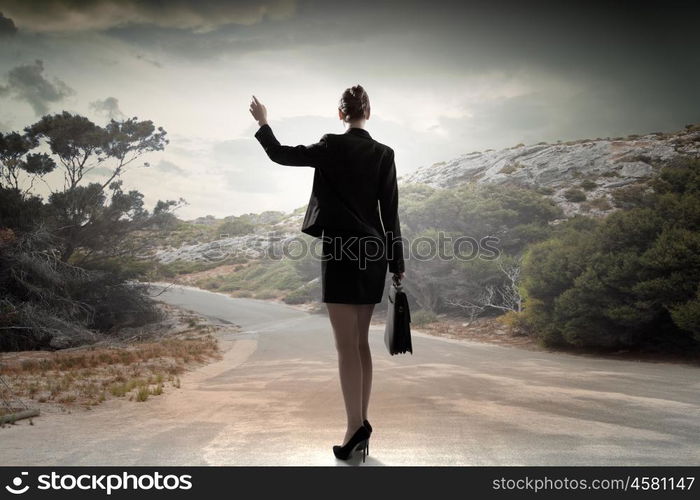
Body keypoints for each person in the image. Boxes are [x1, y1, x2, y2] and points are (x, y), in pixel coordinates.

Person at [250, 84, 405, 462]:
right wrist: (397, 264)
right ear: (369, 112)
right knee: (361, 343)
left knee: (344, 346)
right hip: (373, 254)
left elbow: (281, 155)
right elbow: (391, 213)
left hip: (340, 249)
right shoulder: (385, 153)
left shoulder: (331, 146)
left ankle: (355, 428)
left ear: (341, 114)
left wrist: (264, 123)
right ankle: (360, 423)